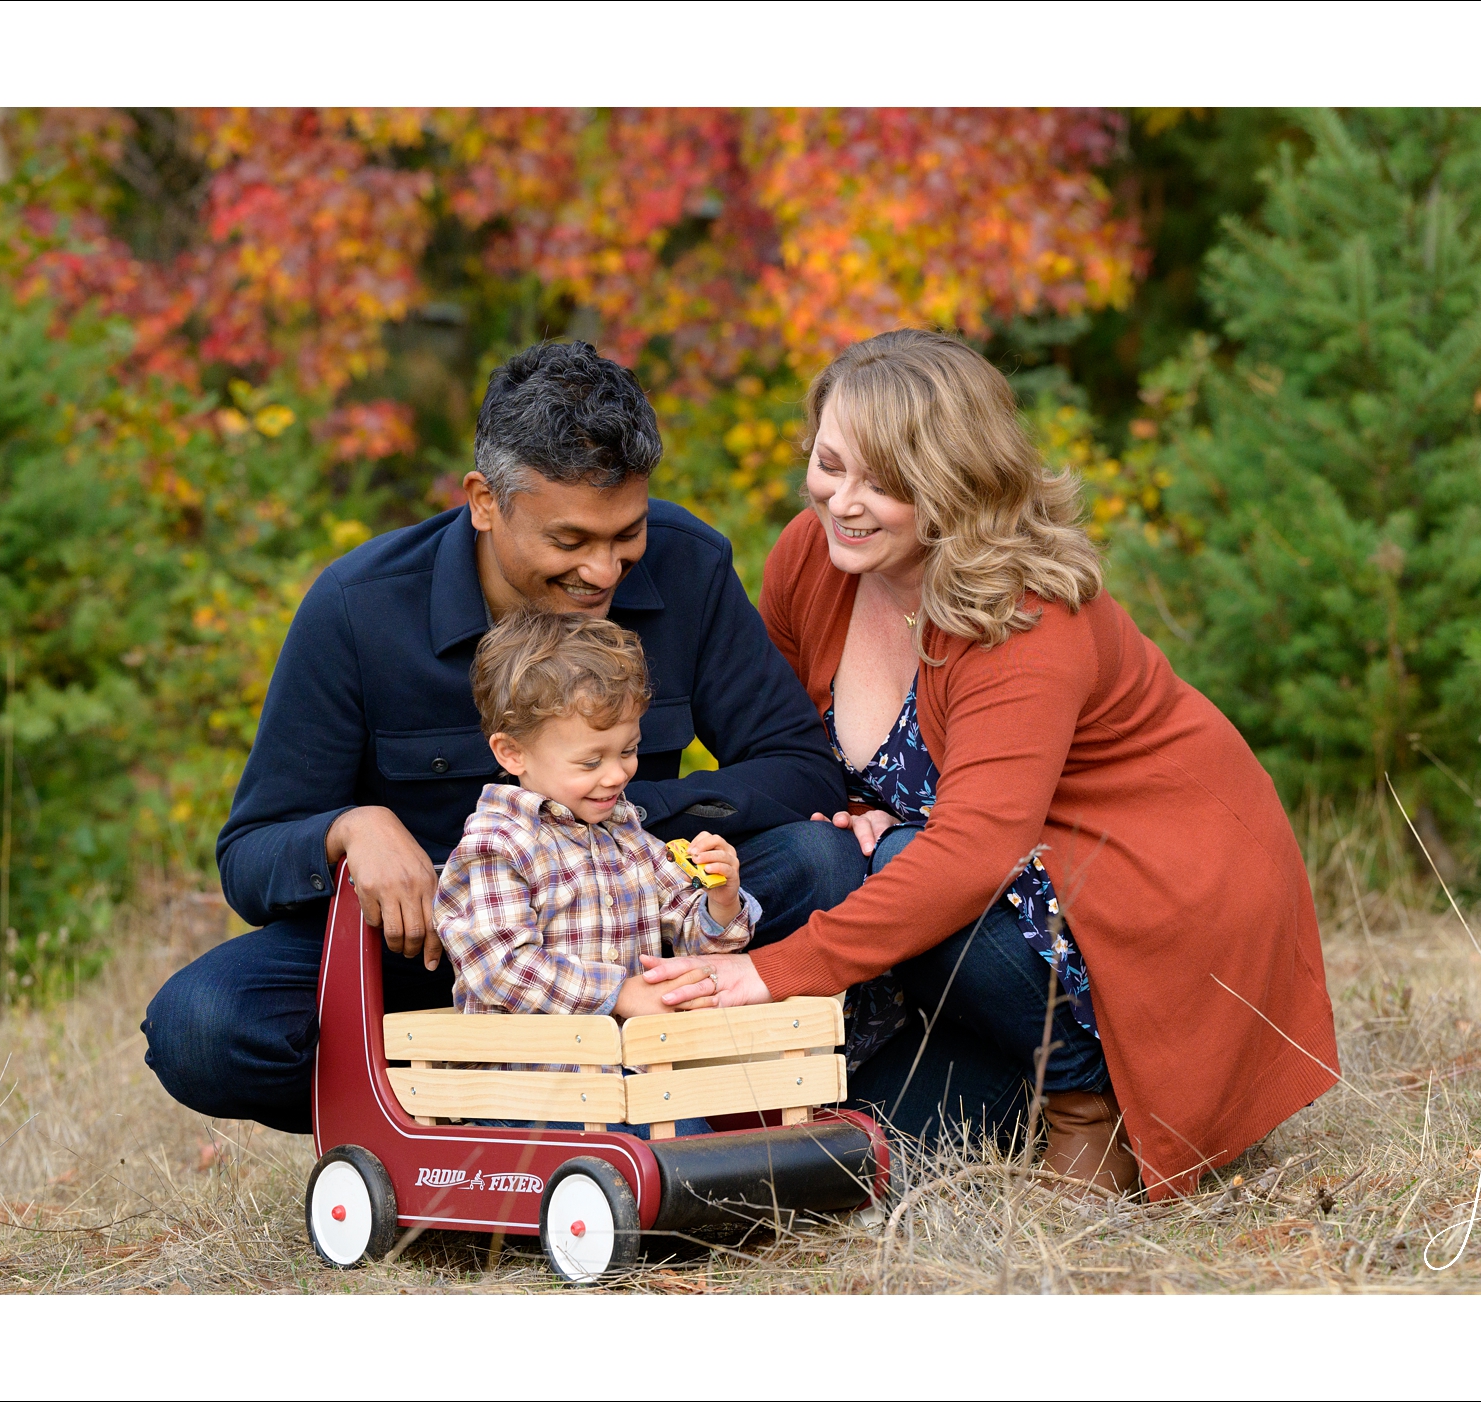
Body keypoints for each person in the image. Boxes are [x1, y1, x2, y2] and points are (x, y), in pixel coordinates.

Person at [639, 329, 1341, 1199]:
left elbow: (970, 851)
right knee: (871, 1150)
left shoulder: (1024, 614)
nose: (842, 502)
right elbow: (789, 748)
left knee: (901, 862)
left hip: (1145, 886)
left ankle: (1091, 1100)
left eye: (883, 482)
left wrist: (773, 971)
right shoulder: (812, 560)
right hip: (984, 902)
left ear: (953, 485)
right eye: (829, 464)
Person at [142, 341, 851, 1134]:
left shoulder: (689, 565)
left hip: (640, 936)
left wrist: (618, 813)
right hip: (442, 959)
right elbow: (250, 855)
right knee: (203, 1024)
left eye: (626, 535)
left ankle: (680, 1094)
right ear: (484, 500)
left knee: (823, 861)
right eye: (570, 541)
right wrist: (349, 829)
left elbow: (801, 770)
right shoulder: (358, 607)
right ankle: (449, 1111)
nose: (605, 570)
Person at [435, 608, 751, 1137]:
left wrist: (721, 903)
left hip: (623, 1071)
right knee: (672, 1151)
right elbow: (501, 968)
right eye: (590, 762)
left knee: (701, 1140)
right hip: (525, 1084)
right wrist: (620, 993)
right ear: (512, 752)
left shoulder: (626, 833)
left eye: (628, 750)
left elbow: (688, 933)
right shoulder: (496, 846)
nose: (616, 774)